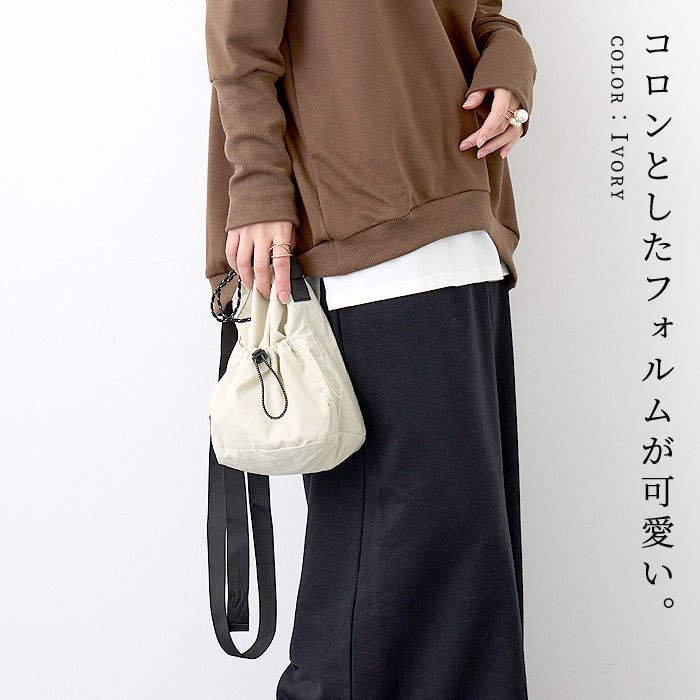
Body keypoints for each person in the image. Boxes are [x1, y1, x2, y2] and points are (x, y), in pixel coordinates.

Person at [205, 1, 536, 698]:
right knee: (386, 589)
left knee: (466, 581)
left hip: (464, 230)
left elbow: (485, 17)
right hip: (358, 236)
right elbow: (240, 46)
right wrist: (258, 183)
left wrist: (511, 69)